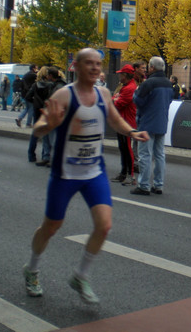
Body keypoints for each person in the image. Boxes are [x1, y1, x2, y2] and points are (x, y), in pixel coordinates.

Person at [23, 48, 148, 303]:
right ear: (76, 67)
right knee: (51, 226)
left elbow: (114, 119)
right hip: (65, 173)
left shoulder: (103, 94)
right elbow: (37, 129)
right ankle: (32, 269)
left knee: (104, 225)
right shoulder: (64, 95)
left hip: (94, 172)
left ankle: (80, 276)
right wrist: (49, 124)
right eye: (88, 63)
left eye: (98, 64)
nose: (94, 68)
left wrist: (132, 131)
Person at [131, 56, 173, 195]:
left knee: (145, 155)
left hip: (147, 123)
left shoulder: (148, 83)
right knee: (160, 155)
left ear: (152, 67)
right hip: (162, 122)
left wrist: (136, 93)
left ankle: (144, 185)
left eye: (149, 66)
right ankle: (158, 185)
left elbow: (138, 100)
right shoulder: (168, 83)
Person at [111, 65, 137, 184]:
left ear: (125, 75)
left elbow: (118, 104)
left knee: (126, 148)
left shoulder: (129, 88)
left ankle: (130, 175)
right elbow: (115, 99)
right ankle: (124, 173)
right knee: (123, 148)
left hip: (126, 122)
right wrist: (115, 99)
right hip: (123, 120)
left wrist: (114, 99)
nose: (119, 76)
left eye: (121, 74)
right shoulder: (127, 86)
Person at [26, 67, 53, 165]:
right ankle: (45, 156)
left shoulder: (35, 85)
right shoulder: (50, 85)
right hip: (46, 110)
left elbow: (28, 96)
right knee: (46, 134)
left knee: (35, 133)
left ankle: (31, 155)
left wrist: (35, 102)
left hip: (37, 110)